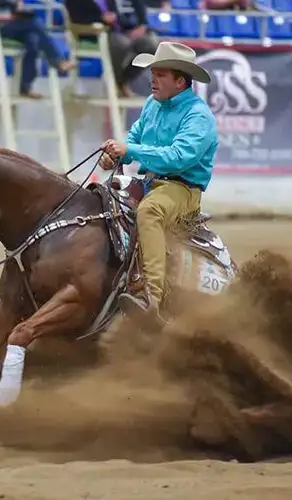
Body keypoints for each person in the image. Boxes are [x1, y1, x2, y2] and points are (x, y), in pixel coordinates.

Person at [100, 41, 218, 321]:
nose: (152, 78)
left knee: (149, 212)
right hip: (149, 182)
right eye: (153, 72)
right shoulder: (153, 104)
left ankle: (151, 297)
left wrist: (130, 151)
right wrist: (116, 157)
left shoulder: (198, 116)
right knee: (98, 203)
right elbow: (135, 137)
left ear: (180, 81)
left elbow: (179, 157)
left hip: (181, 189)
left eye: (161, 74)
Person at [0, 0, 78, 99]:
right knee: (33, 24)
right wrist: (5, 17)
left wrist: (20, 11)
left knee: (33, 40)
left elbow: (18, 8)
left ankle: (25, 87)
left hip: (14, 25)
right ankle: (57, 61)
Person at [64, 0, 160, 96]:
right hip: (94, 35)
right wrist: (101, 19)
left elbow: (123, 14)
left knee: (150, 47)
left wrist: (139, 26)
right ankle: (115, 82)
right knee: (121, 44)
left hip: (121, 32)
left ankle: (122, 80)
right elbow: (77, 18)